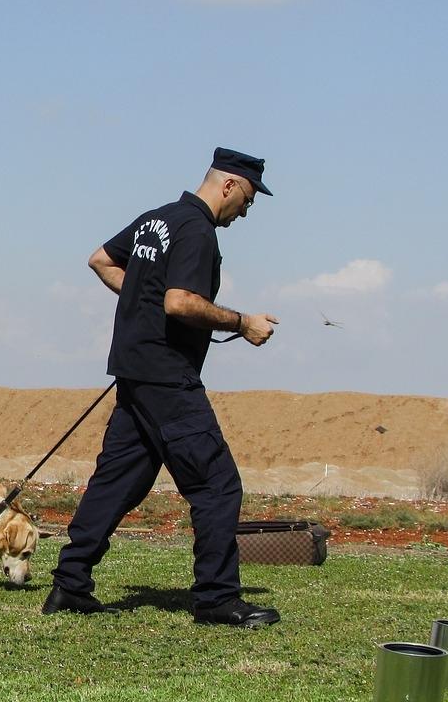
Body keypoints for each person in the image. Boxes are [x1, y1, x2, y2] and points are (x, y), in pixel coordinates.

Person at [42, 148, 280, 627]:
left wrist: (140, 297)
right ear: (229, 185)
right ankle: (217, 598)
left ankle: (70, 585)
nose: (247, 210)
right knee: (217, 485)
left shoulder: (157, 220)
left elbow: (100, 260)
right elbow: (180, 302)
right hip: (169, 379)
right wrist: (242, 322)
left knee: (117, 482)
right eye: (249, 199)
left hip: (134, 372)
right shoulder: (197, 230)